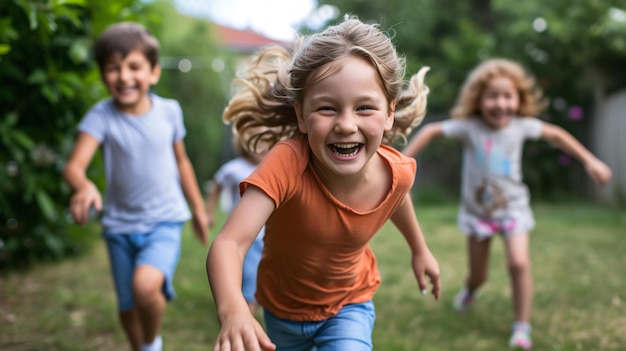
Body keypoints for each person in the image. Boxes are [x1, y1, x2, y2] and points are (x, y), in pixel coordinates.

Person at [206, 15, 441, 351]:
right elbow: (228, 245)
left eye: (364, 108)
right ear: (301, 114)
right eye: (327, 108)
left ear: (389, 112)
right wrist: (233, 312)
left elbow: (398, 198)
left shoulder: (397, 172)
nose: (346, 124)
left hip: (349, 304)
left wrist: (420, 249)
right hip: (281, 312)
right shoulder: (287, 164)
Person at [402, 58, 612, 350]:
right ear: (479, 99)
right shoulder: (469, 127)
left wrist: (590, 160)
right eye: (492, 96)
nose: (501, 104)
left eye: (507, 96)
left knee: (518, 263)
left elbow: (557, 135)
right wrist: (403, 166)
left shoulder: (522, 126)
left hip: (513, 210)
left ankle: (521, 326)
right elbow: (431, 131)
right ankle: (470, 291)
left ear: (519, 99)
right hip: (478, 215)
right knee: (478, 275)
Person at [63, 22, 209, 351]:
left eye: (134, 67)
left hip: (164, 221)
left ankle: (151, 341)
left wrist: (198, 209)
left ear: (154, 72)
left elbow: (182, 162)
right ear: (103, 75)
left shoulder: (170, 112)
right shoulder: (101, 116)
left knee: (145, 289)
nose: (124, 76)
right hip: (119, 226)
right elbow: (74, 166)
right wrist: (83, 186)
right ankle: (139, 347)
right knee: (127, 306)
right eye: (113, 68)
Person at [205, 134, 266, 316]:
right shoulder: (234, 168)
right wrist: (209, 211)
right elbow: (217, 184)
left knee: (262, 273)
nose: (262, 149)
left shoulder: (273, 167)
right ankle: (246, 313)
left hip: (270, 235)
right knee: (249, 274)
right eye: (257, 145)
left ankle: (254, 302)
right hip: (246, 234)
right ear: (244, 145)